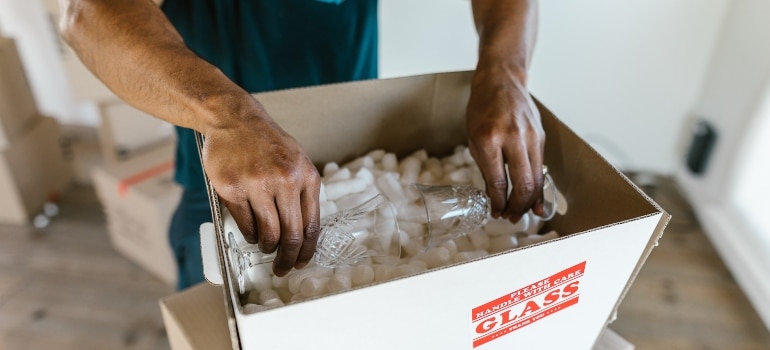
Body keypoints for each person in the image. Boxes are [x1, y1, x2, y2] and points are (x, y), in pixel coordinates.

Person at [59, 0, 544, 290]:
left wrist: (506, 72)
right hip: (226, 190)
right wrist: (230, 119)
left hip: (349, 150)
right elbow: (85, 11)